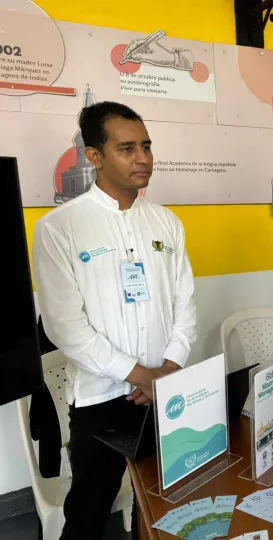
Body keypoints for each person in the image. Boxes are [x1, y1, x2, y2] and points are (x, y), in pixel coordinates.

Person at [33, 101, 197, 540]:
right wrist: (141, 376)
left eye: (146, 146)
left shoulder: (166, 222)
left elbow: (185, 303)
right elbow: (65, 327)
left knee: (164, 504)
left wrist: (168, 370)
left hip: (163, 392)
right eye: (127, 149)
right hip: (100, 399)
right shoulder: (60, 228)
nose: (143, 158)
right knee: (88, 514)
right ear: (95, 156)